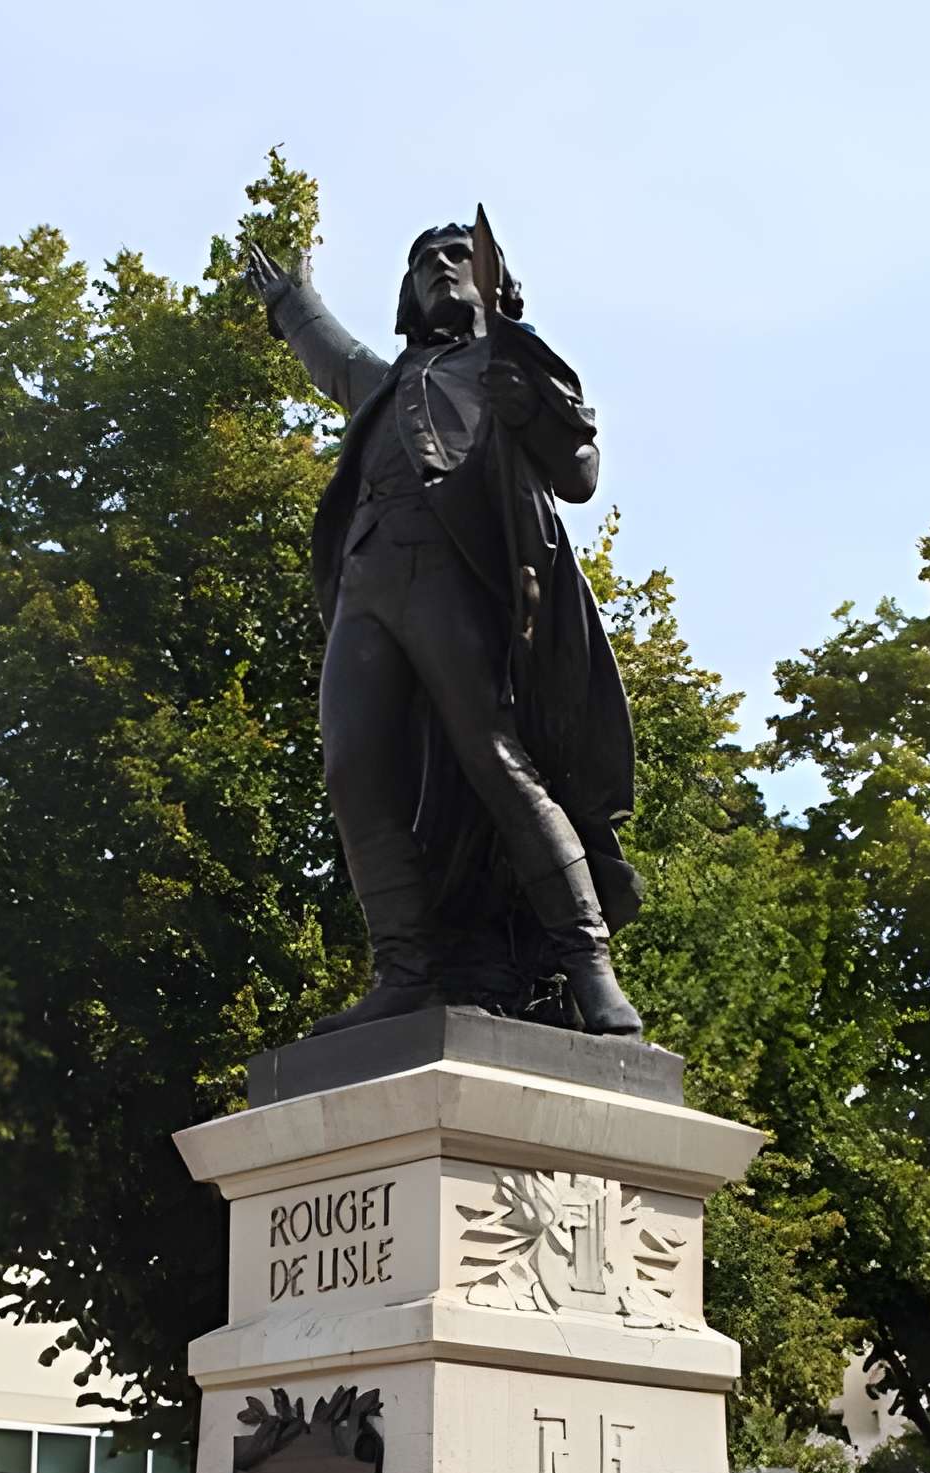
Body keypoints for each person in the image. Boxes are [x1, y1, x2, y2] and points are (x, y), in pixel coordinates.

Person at [245, 222, 644, 1037]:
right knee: (354, 770)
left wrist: (527, 407)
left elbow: (578, 474)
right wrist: (290, 300)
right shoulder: (388, 383)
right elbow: (332, 356)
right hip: (367, 585)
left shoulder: (507, 360)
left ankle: (589, 966)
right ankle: (406, 971)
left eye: (457, 256)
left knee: (495, 757)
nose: (439, 268)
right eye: (424, 261)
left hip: (454, 576)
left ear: (490, 278)